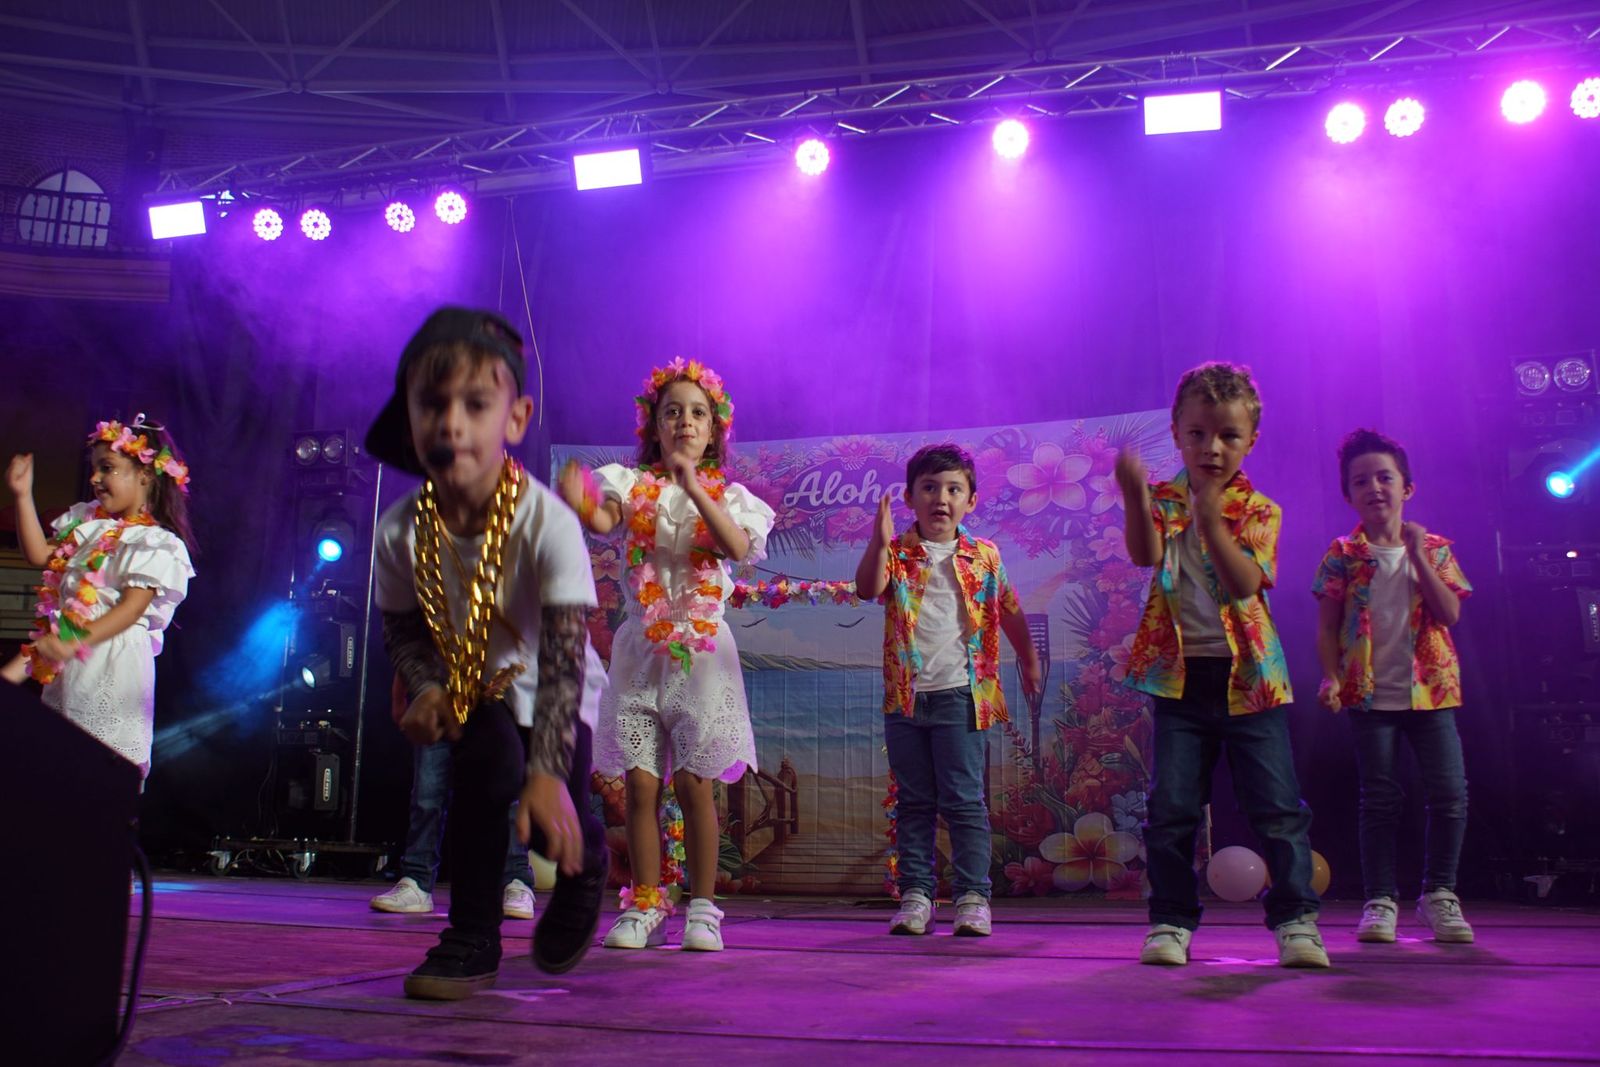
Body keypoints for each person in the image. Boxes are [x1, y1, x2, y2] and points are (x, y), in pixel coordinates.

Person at [365, 306, 607, 1000]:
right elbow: (406, 630)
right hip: (477, 684)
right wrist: (424, 685)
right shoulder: (398, 532)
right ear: (408, 416)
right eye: (431, 404)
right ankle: (472, 934)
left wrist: (550, 771)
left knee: (552, 821)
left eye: (475, 404)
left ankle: (586, 862)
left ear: (517, 416)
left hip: (555, 684)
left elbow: (563, 653)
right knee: (483, 776)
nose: (451, 423)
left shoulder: (546, 522)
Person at [560, 358, 773, 953]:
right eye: (671, 411)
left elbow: (734, 546)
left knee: (694, 782)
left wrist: (691, 487)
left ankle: (703, 908)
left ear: (713, 431)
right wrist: (581, 500)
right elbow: (603, 517)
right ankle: (645, 903)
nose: (684, 421)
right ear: (654, 426)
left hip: (703, 650)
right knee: (640, 783)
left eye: (697, 413)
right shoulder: (630, 485)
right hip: (640, 648)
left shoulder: (733, 496)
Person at [1116, 362, 1325, 968]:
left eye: (1228, 436)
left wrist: (1213, 523)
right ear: (1178, 433)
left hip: (1251, 681)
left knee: (1277, 808)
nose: (1212, 447)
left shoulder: (1259, 510)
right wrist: (1134, 494)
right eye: (1199, 433)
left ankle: (1296, 922)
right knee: (1173, 807)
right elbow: (1145, 554)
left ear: (1250, 441)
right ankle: (1171, 922)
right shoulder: (1163, 500)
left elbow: (1243, 585)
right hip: (1180, 679)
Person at [853, 443, 1041, 937]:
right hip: (906, 698)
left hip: (962, 696)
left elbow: (1012, 609)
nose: (942, 497)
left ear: (971, 500)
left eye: (954, 489)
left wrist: (1028, 657)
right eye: (930, 488)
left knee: (962, 800)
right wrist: (879, 538)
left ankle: (972, 897)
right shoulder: (896, 554)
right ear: (912, 499)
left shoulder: (985, 556)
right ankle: (916, 896)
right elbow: (867, 589)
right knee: (914, 801)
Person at [1313, 428, 1474, 944]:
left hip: (1430, 693)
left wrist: (1418, 555)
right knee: (1379, 800)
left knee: (1450, 795)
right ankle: (1380, 899)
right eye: (1361, 481)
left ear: (1407, 487)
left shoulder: (1437, 549)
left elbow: (1448, 613)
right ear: (1349, 494)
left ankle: (1439, 894)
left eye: (1385, 477)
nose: (1374, 487)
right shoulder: (1341, 553)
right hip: (1370, 696)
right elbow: (1327, 626)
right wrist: (1332, 676)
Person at [3, 416, 195, 782]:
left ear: (145, 474)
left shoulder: (157, 543)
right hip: (69, 663)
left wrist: (70, 640)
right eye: (94, 469)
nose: (94, 478)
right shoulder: (88, 523)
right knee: (57, 771)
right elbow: (41, 555)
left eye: (107, 468)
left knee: (99, 778)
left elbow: (130, 609)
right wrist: (22, 494)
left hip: (112, 662)